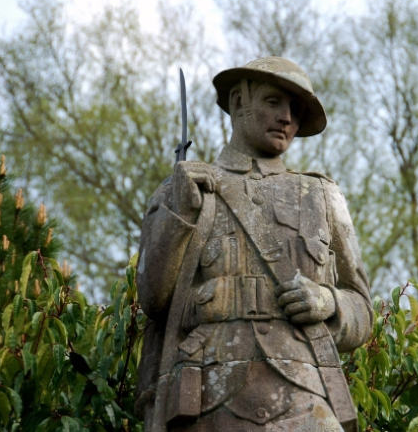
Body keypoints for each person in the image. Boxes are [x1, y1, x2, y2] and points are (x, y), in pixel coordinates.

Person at [136, 57, 373, 432]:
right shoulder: (182, 189)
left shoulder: (321, 195)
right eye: (273, 102)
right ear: (237, 101)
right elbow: (153, 298)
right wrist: (179, 211)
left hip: (307, 398)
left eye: (296, 110)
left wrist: (327, 302)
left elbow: (362, 309)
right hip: (205, 400)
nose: (287, 118)